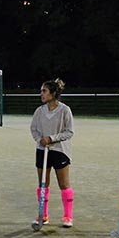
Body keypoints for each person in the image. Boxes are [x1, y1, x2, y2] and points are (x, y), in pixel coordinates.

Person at [29, 78, 75, 227]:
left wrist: (51, 139)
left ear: (53, 93)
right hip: (42, 151)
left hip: (60, 151)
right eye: (41, 90)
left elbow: (69, 132)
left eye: (44, 91)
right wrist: (40, 140)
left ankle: (68, 216)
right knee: (43, 185)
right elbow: (34, 129)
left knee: (64, 184)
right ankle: (43, 215)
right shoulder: (39, 111)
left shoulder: (64, 110)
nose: (41, 94)